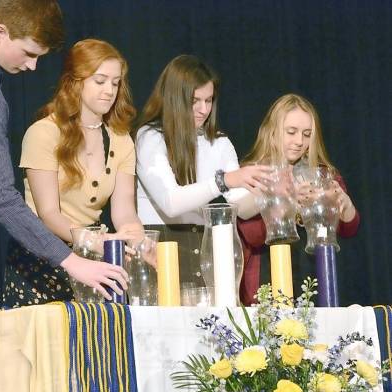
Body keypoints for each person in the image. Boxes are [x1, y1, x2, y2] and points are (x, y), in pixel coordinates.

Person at [0, 0, 127, 330]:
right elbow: (1, 198)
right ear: (0, 33)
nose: (32, 66)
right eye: (29, 53)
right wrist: (72, 262)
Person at [3, 39, 143, 307]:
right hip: (41, 259)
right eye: (100, 81)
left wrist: (135, 238)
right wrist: (91, 240)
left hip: (91, 259)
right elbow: (49, 214)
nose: (109, 91)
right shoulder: (43, 133)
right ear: (75, 82)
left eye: (115, 83)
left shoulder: (121, 139)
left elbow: (124, 212)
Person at [135, 54, 272, 295]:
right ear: (174, 98)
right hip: (159, 251)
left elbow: (242, 206)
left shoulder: (218, 142)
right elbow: (171, 202)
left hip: (207, 249)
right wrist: (223, 181)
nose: (203, 109)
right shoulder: (150, 138)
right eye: (195, 100)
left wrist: (269, 192)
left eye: (209, 100)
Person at [239, 93, 360, 304]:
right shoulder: (253, 174)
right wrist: (289, 202)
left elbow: (349, 229)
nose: (299, 141)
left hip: (314, 278)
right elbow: (252, 235)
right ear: (272, 131)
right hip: (267, 284)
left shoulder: (324, 175)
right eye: (291, 132)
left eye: (306, 134)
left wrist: (345, 206)